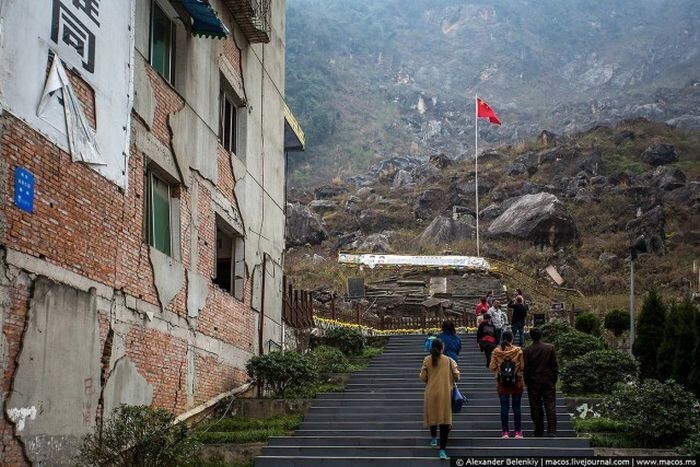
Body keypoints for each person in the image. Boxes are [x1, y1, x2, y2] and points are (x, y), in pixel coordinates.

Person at [420, 338, 460, 460]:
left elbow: (422, 377)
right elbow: (457, 376)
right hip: (445, 392)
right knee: (444, 420)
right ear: (442, 348)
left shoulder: (427, 359)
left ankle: (433, 438)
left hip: (430, 392)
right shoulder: (449, 360)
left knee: (433, 415)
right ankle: (442, 450)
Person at [489, 330, 525, 439]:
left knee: (504, 407)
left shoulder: (496, 351)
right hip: (516, 381)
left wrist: (500, 368)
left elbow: (491, 367)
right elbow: (523, 366)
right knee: (516, 407)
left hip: (502, 382)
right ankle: (518, 432)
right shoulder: (518, 351)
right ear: (512, 339)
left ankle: (505, 432)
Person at [523, 327, 559, 437]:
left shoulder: (528, 350)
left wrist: (527, 381)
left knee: (535, 406)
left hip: (534, 381)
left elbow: (526, 368)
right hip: (548, 380)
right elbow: (555, 366)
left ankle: (538, 430)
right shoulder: (550, 348)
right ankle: (551, 430)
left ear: (531, 336)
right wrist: (554, 379)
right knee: (550, 405)